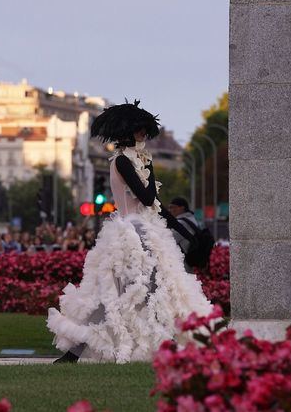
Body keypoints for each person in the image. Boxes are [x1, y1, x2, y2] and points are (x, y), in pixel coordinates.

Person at [47, 100, 212, 363]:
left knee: (157, 290)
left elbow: (157, 208)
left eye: (145, 130)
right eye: (140, 130)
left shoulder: (138, 160)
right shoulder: (123, 161)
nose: (143, 135)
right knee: (114, 294)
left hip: (148, 233)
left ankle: (173, 343)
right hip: (130, 235)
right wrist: (149, 170)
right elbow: (148, 199)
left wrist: (190, 234)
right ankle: (76, 351)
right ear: (128, 132)